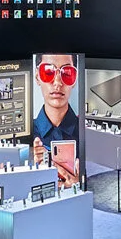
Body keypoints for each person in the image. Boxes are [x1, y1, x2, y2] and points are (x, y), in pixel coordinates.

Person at [30, 52, 81, 186]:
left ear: (75, 79)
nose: (57, 83)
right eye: (48, 72)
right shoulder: (25, 138)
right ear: (37, 76)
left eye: (67, 73)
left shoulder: (88, 135)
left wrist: (81, 186)